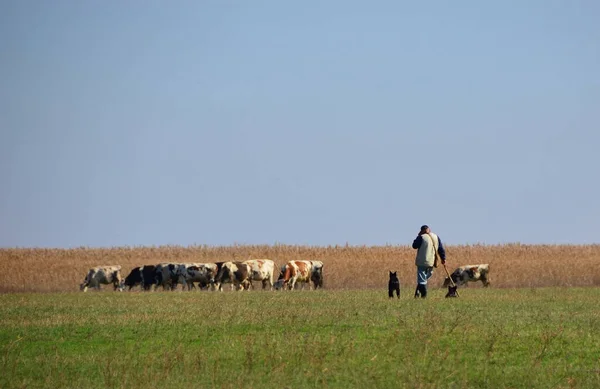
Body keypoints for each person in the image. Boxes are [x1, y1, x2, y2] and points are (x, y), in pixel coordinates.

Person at [412, 225, 446, 298]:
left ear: (422, 230)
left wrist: (418, 236)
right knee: (423, 279)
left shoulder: (421, 237)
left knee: (422, 280)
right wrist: (443, 259)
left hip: (422, 261)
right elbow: (440, 249)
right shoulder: (436, 237)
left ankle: (424, 296)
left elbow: (414, 246)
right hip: (432, 262)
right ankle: (417, 294)